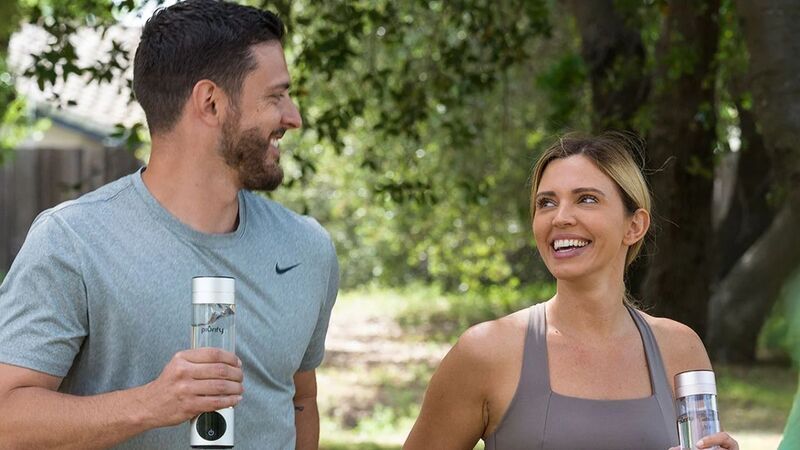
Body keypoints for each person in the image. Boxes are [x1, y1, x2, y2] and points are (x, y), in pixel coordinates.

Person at [0, 1, 338, 448]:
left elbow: (301, 397)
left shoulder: (305, 248)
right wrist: (151, 404)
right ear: (211, 102)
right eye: (275, 96)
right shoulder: (72, 243)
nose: (293, 117)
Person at [404, 132, 738, 450]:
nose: (561, 217)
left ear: (634, 225)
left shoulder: (681, 349)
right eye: (546, 203)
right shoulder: (486, 352)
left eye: (587, 199)